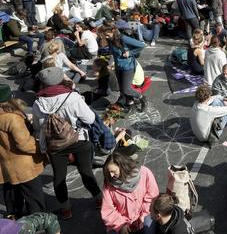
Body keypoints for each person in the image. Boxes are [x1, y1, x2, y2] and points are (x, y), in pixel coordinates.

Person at [32, 67, 102, 219]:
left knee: (59, 177)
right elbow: (90, 119)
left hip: (55, 145)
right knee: (86, 172)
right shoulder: (72, 97)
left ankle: (65, 209)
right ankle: (99, 199)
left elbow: (38, 129)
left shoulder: (38, 103)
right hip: (78, 140)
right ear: (60, 79)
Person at [0, 99, 46, 217]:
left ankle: (14, 220)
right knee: (34, 196)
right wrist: (41, 146)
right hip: (23, 166)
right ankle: (38, 222)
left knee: (11, 195)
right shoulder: (12, 118)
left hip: (4, 165)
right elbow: (24, 144)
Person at [101, 153, 159, 234]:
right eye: (108, 172)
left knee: (148, 229)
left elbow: (152, 197)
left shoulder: (144, 173)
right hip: (122, 220)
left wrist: (143, 216)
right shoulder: (109, 185)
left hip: (145, 214)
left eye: (113, 171)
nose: (111, 175)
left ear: (122, 167)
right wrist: (121, 225)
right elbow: (108, 210)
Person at [102, 25, 147, 112]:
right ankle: (131, 104)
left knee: (126, 89)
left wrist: (130, 53)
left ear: (113, 31)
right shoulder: (110, 40)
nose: (106, 37)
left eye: (107, 35)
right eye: (105, 35)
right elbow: (114, 54)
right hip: (118, 67)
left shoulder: (123, 38)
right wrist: (110, 64)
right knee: (122, 89)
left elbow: (141, 45)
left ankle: (141, 97)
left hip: (128, 67)